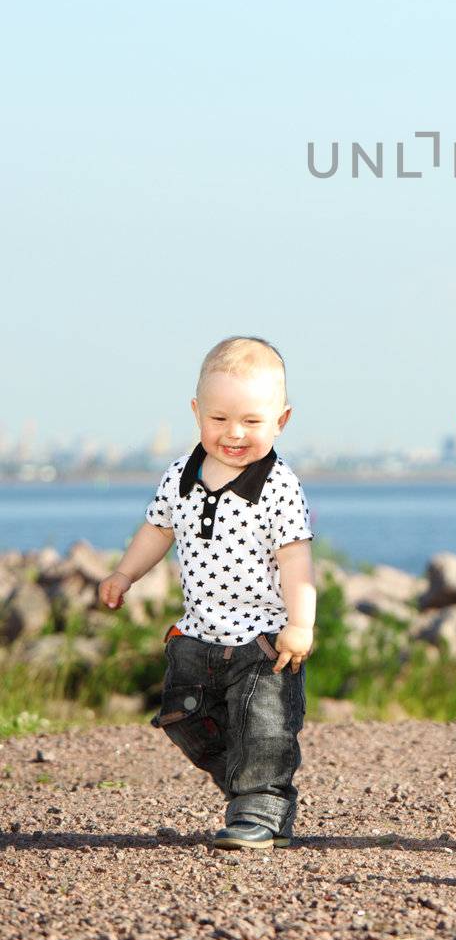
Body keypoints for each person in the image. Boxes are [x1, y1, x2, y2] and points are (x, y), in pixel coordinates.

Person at [98, 336, 315, 851]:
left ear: (281, 420)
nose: (234, 434)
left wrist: (300, 624)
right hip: (196, 635)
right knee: (183, 715)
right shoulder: (180, 476)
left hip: (262, 643)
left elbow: (296, 559)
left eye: (251, 422)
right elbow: (157, 530)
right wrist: (125, 574)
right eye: (219, 420)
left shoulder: (279, 485)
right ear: (197, 412)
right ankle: (248, 782)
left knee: (265, 727)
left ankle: (261, 805)